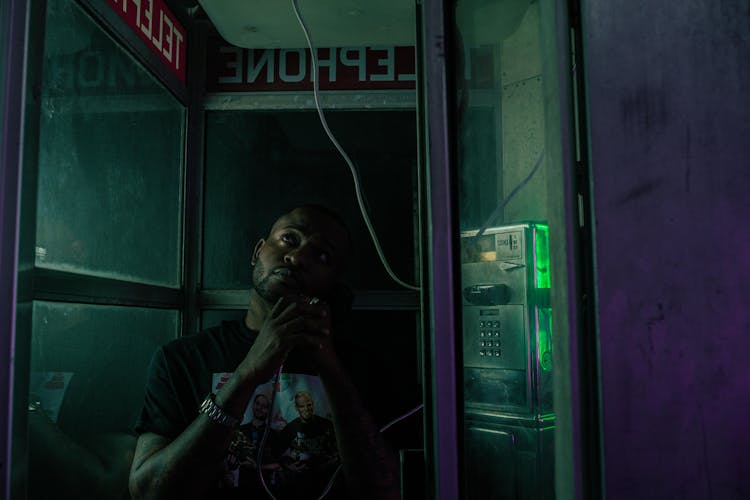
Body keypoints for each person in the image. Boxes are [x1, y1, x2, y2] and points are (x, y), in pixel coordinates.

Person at [128, 205, 399, 500]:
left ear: (334, 284)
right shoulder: (181, 359)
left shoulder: (362, 368)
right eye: (289, 239)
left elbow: (387, 491)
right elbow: (147, 491)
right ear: (258, 251)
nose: (296, 258)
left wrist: (331, 369)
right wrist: (245, 375)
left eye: (322, 255)